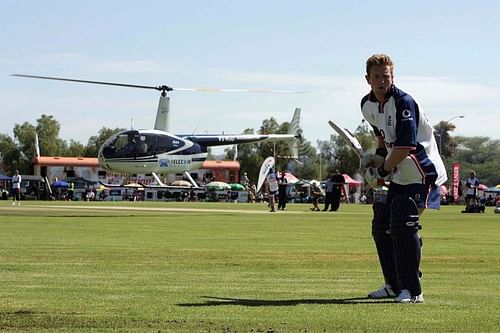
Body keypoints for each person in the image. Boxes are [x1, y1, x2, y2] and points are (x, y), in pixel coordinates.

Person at [360, 54, 447, 303]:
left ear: (392, 77)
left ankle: (412, 290)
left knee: (403, 225)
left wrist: (383, 171)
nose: (381, 81)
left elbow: (404, 147)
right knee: (382, 225)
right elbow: (382, 139)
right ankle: (393, 284)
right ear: (368, 79)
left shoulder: (403, 102)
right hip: (400, 172)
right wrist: (376, 160)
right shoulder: (367, 105)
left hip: (422, 172)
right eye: (376, 77)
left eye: (385, 76)